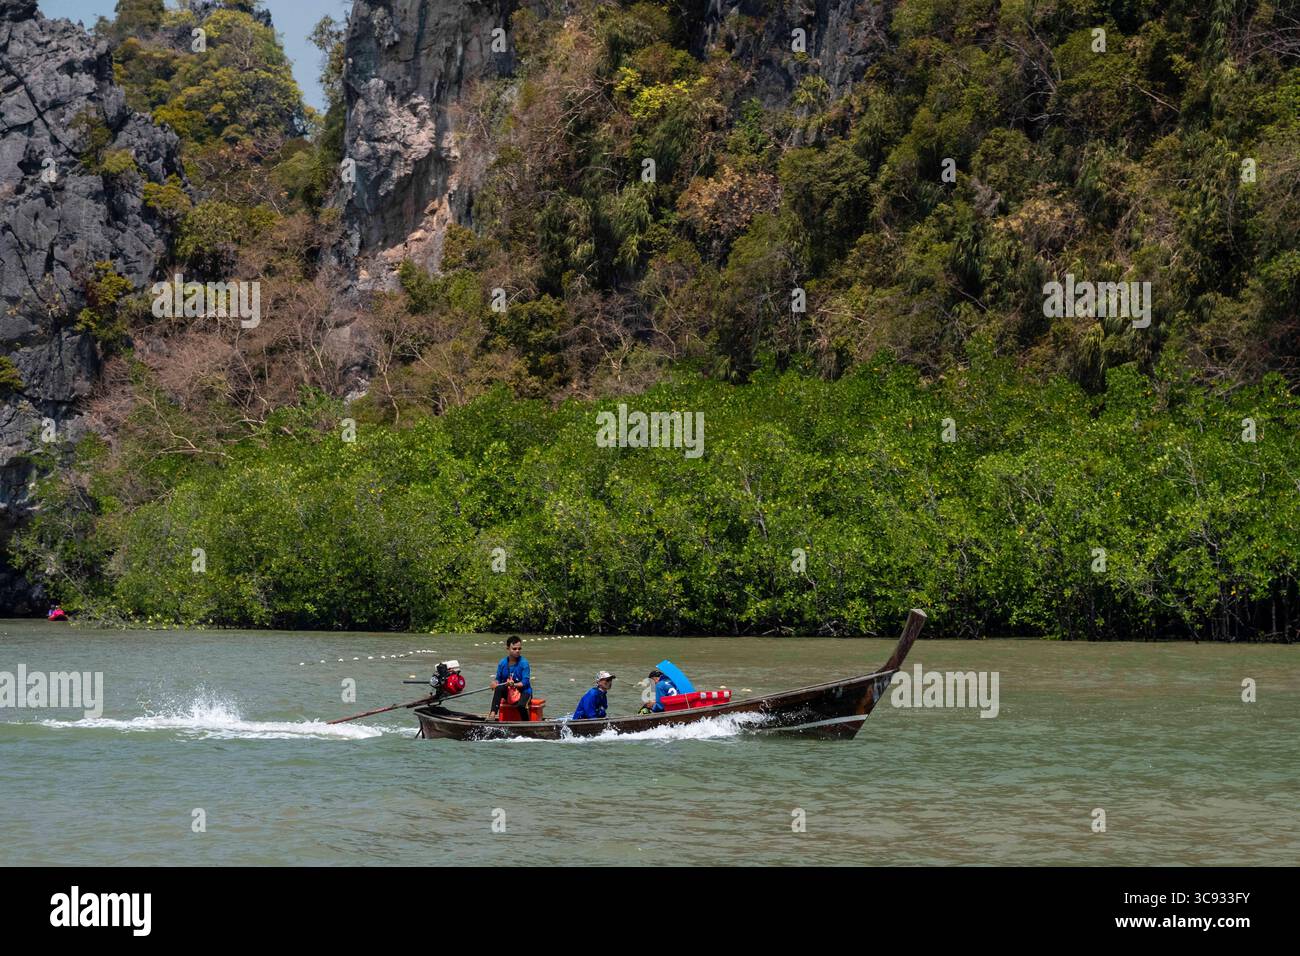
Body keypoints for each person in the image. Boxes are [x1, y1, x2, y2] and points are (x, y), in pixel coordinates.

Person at [489, 636, 532, 720]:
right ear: (508, 648)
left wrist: (514, 684)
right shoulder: (502, 663)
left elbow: (525, 682)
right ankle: (492, 715)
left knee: (521, 706)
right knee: (498, 688)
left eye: (519, 649)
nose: (517, 651)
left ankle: (526, 724)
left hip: (524, 691)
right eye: (514, 649)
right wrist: (494, 683)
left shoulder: (524, 663)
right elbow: (498, 679)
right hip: (509, 691)